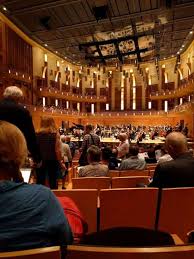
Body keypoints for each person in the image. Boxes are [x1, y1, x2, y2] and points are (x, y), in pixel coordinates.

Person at [0, 121, 73, 252]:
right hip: (51, 165)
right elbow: (67, 241)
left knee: (40, 179)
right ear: (19, 153)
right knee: (53, 184)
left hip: (41, 164)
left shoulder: (37, 135)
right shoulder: (43, 198)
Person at [0, 86, 41, 165]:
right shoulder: (22, 111)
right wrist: (37, 157)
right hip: (14, 151)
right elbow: (30, 135)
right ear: (17, 98)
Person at [36, 116, 65, 189]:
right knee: (53, 182)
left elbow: (34, 149)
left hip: (40, 161)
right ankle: (53, 198)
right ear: (52, 123)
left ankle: (40, 199)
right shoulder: (55, 134)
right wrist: (61, 163)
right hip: (52, 161)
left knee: (40, 182)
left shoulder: (36, 134)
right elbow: (57, 150)